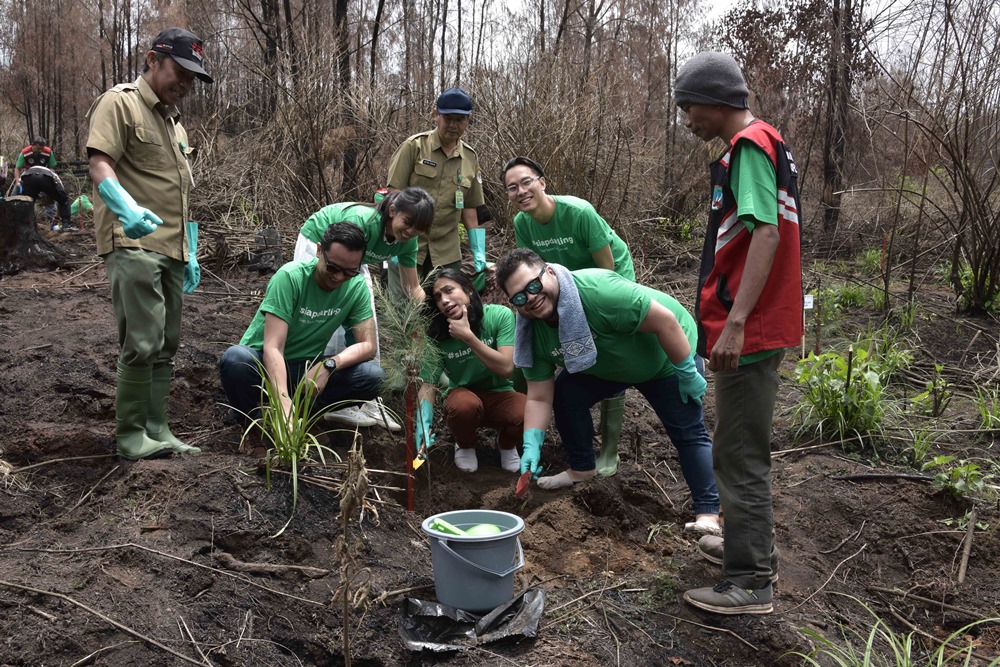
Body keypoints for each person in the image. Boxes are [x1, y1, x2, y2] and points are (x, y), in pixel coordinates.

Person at [673, 52, 803, 616]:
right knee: (735, 444)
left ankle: (751, 582)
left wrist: (737, 324)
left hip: (751, 328)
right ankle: (746, 547)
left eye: (688, 107)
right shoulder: (766, 141)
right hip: (756, 323)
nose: (685, 120)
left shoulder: (750, 146)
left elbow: (766, 235)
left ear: (716, 100)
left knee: (738, 454)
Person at [496, 249, 720, 531]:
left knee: (687, 430)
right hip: (604, 365)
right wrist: (531, 443)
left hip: (666, 357)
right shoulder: (530, 332)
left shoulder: (600, 292)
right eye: (519, 297)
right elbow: (540, 396)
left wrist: (686, 371)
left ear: (549, 272)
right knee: (565, 395)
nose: (530, 297)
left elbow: (666, 322)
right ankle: (582, 468)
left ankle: (709, 512)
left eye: (533, 285)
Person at [86, 27, 212, 460]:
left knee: (167, 342)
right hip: (133, 240)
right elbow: (100, 163)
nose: (186, 84)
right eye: (179, 71)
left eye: (193, 78)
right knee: (141, 341)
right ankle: (131, 435)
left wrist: (190, 248)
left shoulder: (173, 123)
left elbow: (180, 189)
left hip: (173, 248)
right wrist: (124, 208)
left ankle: (158, 428)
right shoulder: (120, 102)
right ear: (153, 60)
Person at [502, 155, 637, 481]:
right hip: (558, 286)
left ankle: (609, 447)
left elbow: (607, 270)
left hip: (605, 284)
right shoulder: (523, 224)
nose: (520, 191)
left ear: (542, 182)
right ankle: (527, 437)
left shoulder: (579, 213)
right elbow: (528, 270)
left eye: (526, 182)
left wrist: (585, 309)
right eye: (511, 188)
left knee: (607, 354)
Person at [292, 187, 434, 430]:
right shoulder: (362, 222)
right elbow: (340, 256)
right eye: (407, 222)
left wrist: (431, 315)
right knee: (333, 315)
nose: (411, 232)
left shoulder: (408, 242)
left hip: (355, 259)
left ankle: (366, 400)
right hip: (322, 246)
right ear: (392, 211)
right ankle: (332, 399)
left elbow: (413, 287)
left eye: (419, 229)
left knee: (368, 324)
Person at [219, 222, 385, 426]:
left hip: (306, 369)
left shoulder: (356, 286)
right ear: (318, 251)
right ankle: (254, 421)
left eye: (349, 271)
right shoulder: (290, 277)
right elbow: (273, 347)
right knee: (235, 359)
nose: (339, 277)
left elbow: (368, 345)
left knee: (373, 376)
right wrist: (283, 400)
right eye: (332, 267)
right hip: (263, 364)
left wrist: (329, 365)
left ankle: (303, 415)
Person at [416, 269, 525, 473]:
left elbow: (506, 368)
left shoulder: (499, 316)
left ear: (469, 291)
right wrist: (424, 421)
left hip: (500, 393)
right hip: (464, 395)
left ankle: (506, 445)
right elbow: (428, 382)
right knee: (463, 407)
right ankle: (465, 444)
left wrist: (469, 338)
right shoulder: (438, 334)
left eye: (449, 291)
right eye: (438, 298)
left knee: (528, 411)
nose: (445, 301)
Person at [386, 87, 486, 297]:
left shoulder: (470, 157)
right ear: (435, 115)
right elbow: (393, 195)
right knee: (404, 311)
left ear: (468, 120)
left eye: (460, 120)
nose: (453, 125)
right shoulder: (414, 147)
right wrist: (393, 240)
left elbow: (469, 207)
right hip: (407, 246)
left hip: (447, 252)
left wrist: (478, 250)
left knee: (445, 312)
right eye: (447, 118)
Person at [19, 164, 73, 231]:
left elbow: (20, 183)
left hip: (27, 177)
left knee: (27, 202)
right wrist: (57, 217)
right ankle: (66, 226)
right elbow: (61, 201)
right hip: (45, 177)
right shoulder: (53, 174)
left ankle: (25, 225)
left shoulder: (28, 171)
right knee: (64, 200)